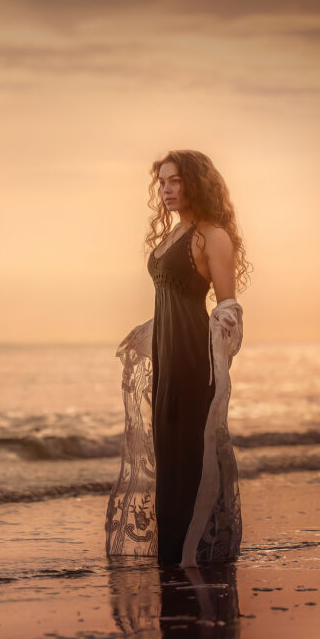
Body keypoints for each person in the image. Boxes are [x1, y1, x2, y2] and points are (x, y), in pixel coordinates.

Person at [105, 150, 251, 567]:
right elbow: (175, 299)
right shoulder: (175, 234)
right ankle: (173, 558)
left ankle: (188, 561)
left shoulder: (211, 236)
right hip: (167, 362)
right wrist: (150, 331)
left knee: (187, 461)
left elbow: (227, 304)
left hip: (191, 363)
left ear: (196, 183)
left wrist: (224, 324)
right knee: (169, 461)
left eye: (175, 181)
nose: (166, 190)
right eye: (163, 182)